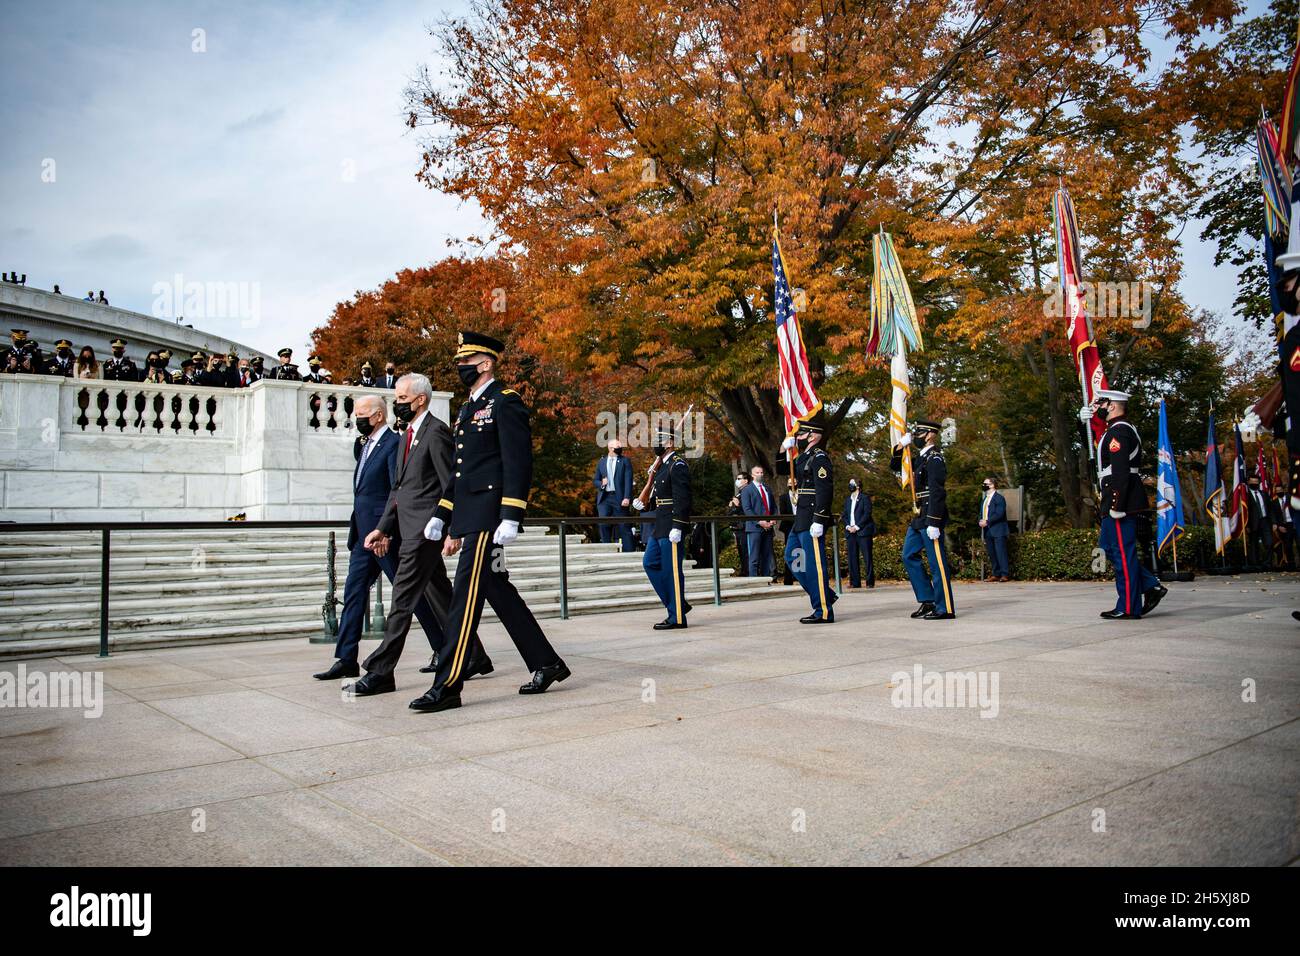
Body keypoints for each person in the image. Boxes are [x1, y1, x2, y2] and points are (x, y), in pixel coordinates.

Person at [408, 332, 570, 712]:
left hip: (489, 519)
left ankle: (447, 685)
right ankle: (546, 663)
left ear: (486, 363)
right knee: (498, 591)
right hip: (468, 517)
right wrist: (442, 514)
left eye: (467, 360)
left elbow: (518, 462)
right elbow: (461, 474)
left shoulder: (505, 403)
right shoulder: (468, 409)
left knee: (463, 602)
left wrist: (512, 514)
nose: (460, 367)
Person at [353, 373, 493, 697]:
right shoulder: (407, 436)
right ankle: (473, 656)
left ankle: (381, 671)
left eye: (402, 398)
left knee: (401, 601)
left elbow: (452, 484)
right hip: (409, 529)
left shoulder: (436, 433)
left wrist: (453, 530)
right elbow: (399, 489)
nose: (397, 404)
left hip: (426, 533)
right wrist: (383, 527)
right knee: (440, 594)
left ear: (420, 400)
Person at [313, 394, 455, 681]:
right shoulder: (365, 446)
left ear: (378, 416)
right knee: (354, 594)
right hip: (365, 536)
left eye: (362, 414)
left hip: (386, 538)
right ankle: (345, 657)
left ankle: (443, 649)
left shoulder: (394, 444)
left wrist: (388, 530)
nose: (357, 419)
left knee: (410, 599)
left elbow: (397, 491)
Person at [1085, 389, 1166, 620]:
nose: (1097, 406)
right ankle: (1150, 585)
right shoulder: (1114, 430)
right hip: (1115, 498)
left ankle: (1129, 606)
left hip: (1121, 502)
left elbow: (1120, 473)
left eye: (1101, 403)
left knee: (1122, 553)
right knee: (1109, 549)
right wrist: (1084, 425)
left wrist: (1116, 505)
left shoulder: (1120, 432)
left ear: (1111, 406)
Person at [893, 419, 956, 620]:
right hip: (918, 516)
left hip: (930, 515)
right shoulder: (919, 458)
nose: (917, 436)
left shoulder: (935, 458)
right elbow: (895, 466)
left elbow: (937, 492)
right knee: (908, 555)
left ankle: (944, 607)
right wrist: (900, 447)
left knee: (937, 563)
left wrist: (934, 521)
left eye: (919, 433)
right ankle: (928, 600)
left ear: (929, 434)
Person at [632, 425, 692, 629]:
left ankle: (677, 617)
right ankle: (678, 603)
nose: (655, 444)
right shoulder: (662, 466)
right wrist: (645, 504)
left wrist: (678, 525)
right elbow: (659, 497)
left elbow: (682, 499)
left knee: (671, 571)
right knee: (650, 563)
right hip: (660, 524)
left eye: (660, 440)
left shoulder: (678, 465)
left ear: (670, 443)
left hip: (672, 526)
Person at [783, 411, 836, 623]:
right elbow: (783, 470)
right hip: (800, 519)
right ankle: (825, 594)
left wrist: (819, 519)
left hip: (812, 518)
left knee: (813, 564)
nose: (799, 437)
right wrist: (784, 450)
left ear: (813, 436)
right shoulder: (804, 457)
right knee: (793, 559)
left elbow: (825, 490)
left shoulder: (820, 458)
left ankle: (823, 610)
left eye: (802, 434)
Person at [593, 438, 634, 551]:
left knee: (624, 526)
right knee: (603, 525)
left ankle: (629, 553)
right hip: (604, 498)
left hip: (619, 497)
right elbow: (595, 480)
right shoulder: (601, 462)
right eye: (618, 446)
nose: (620, 448)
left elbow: (628, 480)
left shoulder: (625, 461)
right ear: (610, 448)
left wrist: (627, 497)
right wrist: (602, 483)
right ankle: (606, 551)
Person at [741, 465, 777, 579]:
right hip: (754, 528)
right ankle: (754, 581)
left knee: (767, 556)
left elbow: (773, 507)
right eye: (757, 472)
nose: (760, 474)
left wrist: (773, 518)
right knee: (754, 556)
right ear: (752, 475)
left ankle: (766, 580)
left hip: (768, 527)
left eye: (761, 472)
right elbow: (747, 509)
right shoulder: (747, 489)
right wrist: (759, 521)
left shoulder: (767, 488)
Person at [842, 477, 875, 589]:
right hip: (850, 532)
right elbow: (844, 515)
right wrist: (848, 526)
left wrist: (857, 526)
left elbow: (867, 514)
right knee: (852, 558)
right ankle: (855, 582)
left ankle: (870, 582)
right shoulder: (847, 500)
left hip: (863, 531)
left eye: (852, 483)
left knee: (867, 557)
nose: (849, 485)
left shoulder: (864, 498)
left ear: (858, 485)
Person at [979, 477, 1010, 581]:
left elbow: (999, 514)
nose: (983, 485)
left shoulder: (999, 498)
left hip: (998, 529)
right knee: (992, 553)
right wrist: (980, 521)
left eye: (985, 483)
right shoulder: (985, 499)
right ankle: (996, 574)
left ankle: (1004, 574)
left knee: (1001, 552)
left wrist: (987, 521)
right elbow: (982, 513)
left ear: (992, 485)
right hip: (988, 530)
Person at [1246, 472, 1273, 570]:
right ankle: (1255, 565)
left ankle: (1267, 564)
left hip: (1265, 522)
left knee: (1269, 543)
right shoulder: (1246, 496)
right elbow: (1245, 512)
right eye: (1252, 482)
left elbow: (1270, 509)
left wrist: (1273, 522)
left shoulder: (1264, 494)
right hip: (1253, 523)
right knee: (1254, 544)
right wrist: (1247, 525)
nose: (1254, 484)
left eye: (1256, 482)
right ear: (1248, 482)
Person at [727, 474, 750, 576]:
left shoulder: (748, 492)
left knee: (745, 550)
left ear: (746, 481)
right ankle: (744, 570)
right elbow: (731, 511)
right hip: (738, 527)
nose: (737, 481)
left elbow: (747, 509)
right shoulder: (739, 494)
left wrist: (737, 506)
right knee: (741, 550)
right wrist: (732, 507)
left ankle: (748, 571)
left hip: (745, 526)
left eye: (739, 479)